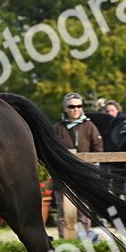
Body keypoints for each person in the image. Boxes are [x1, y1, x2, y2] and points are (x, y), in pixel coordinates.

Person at [53, 93, 103, 238]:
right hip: (62, 175)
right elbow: (51, 149)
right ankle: (64, 241)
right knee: (63, 211)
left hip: (83, 174)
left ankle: (83, 240)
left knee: (83, 211)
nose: (75, 109)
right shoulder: (58, 127)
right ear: (65, 108)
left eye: (78, 106)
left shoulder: (89, 126)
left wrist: (90, 168)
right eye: (72, 106)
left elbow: (98, 148)